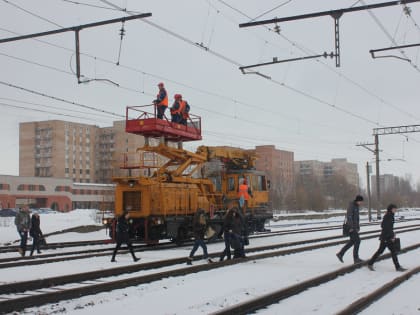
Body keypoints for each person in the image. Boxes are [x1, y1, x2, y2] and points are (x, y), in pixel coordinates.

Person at [367, 204, 407, 272]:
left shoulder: (390, 216)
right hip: (386, 238)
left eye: (395, 209)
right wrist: (391, 236)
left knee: (390, 251)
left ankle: (397, 267)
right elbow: (385, 227)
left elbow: (388, 227)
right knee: (382, 251)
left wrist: (393, 234)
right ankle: (370, 263)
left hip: (387, 237)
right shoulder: (388, 216)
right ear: (391, 209)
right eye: (394, 209)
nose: (395, 210)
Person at [336, 195, 364, 264]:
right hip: (351, 227)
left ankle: (340, 254)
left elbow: (357, 219)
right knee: (357, 241)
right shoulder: (352, 206)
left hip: (354, 227)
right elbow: (349, 217)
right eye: (360, 201)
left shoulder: (356, 207)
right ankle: (356, 258)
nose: (361, 203)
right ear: (357, 200)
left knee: (352, 242)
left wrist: (358, 227)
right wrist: (351, 227)